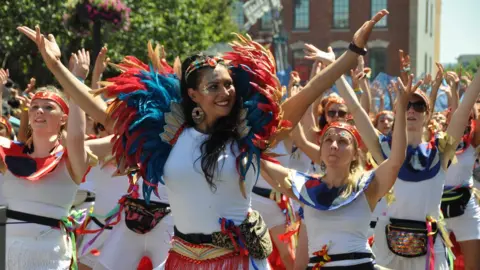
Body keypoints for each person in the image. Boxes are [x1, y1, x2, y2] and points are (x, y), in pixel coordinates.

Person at [18, 10, 388, 269]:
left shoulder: (247, 137)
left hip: (238, 262)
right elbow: (101, 110)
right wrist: (56, 67)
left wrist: (351, 52)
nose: (225, 91)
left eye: (229, 84)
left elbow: (309, 92)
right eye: (214, 86)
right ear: (193, 95)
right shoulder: (168, 136)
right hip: (180, 258)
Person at [341, 56, 480, 268]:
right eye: (406, 104)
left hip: (429, 252)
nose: (412, 110)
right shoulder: (383, 149)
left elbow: (464, 108)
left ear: (428, 113)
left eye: (418, 106)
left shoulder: (440, 152)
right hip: (387, 250)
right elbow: (358, 112)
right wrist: (336, 72)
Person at [0, 83, 93, 269]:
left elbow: (76, 137)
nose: (39, 111)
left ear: (64, 118)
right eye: (34, 106)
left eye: (48, 107)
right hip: (5, 253)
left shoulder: (72, 159)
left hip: (50, 256)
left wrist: (76, 80)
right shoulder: (8, 152)